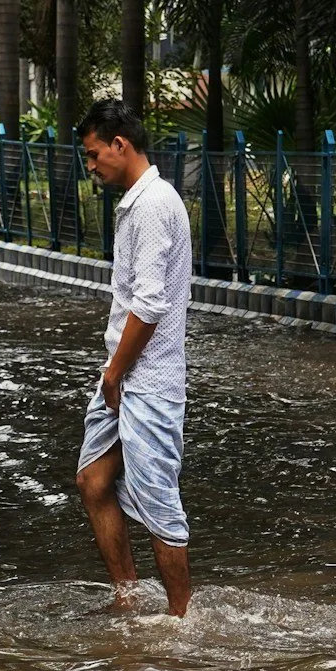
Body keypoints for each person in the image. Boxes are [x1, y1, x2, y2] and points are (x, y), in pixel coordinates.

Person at [73, 99, 194, 616]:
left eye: (95, 154)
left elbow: (148, 304)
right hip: (122, 376)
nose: (92, 166)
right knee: (93, 480)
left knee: (159, 506)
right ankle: (128, 597)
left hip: (147, 379)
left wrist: (116, 374)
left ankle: (181, 620)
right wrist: (113, 375)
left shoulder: (153, 206)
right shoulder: (137, 202)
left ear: (120, 145)